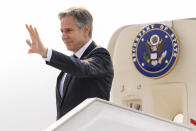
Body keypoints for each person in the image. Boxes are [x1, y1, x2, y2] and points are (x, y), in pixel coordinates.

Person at [25, 7, 114, 120]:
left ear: (86, 29)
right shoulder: (69, 65)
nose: (63, 36)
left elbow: (83, 68)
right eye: (62, 31)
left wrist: (46, 52)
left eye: (69, 30)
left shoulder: (101, 55)